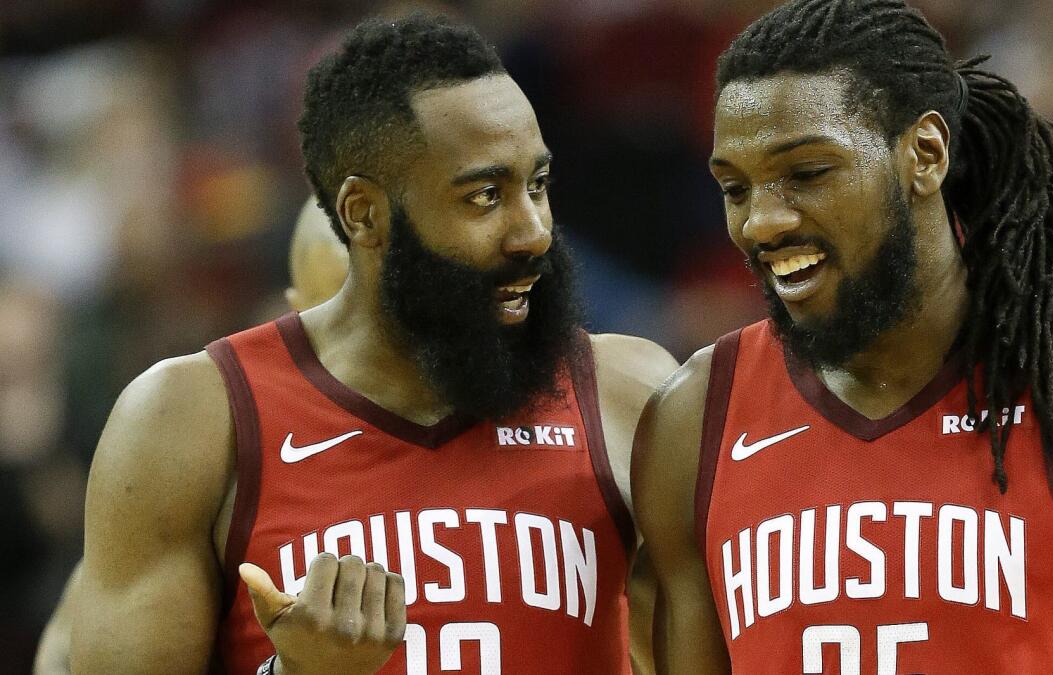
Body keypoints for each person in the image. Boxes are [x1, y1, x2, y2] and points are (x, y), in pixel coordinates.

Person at [71, 15, 676, 674]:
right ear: (364, 212)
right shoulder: (190, 420)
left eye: (537, 185)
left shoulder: (632, 394)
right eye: (484, 196)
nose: (532, 231)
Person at [633, 0, 1053, 673]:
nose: (762, 222)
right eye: (735, 188)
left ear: (924, 154)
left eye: (808, 173)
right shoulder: (695, 419)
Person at [31, 195, 347, 675]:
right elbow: (61, 657)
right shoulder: (217, 445)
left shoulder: (497, 428)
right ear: (296, 310)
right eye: (337, 309)